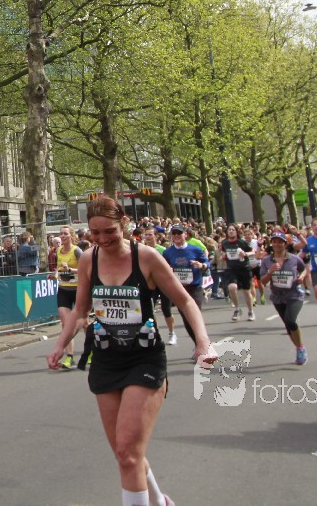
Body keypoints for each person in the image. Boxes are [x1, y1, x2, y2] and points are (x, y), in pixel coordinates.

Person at [48, 197, 214, 506]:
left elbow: (185, 300)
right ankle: (159, 501)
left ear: (124, 223)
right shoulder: (89, 259)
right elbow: (80, 310)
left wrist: (202, 342)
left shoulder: (147, 257)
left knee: (128, 452)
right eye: (95, 233)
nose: (102, 239)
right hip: (106, 359)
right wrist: (60, 344)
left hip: (143, 359)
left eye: (109, 231)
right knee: (125, 454)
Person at [259, 233, 311, 364]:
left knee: (290, 320)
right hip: (278, 297)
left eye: (280, 242)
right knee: (288, 326)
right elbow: (263, 281)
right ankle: (299, 347)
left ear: (285, 244)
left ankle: (300, 348)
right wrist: (270, 272)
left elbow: (304, 269)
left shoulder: (294, 259)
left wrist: (301, 277)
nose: (277, 244)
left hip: (294, 294)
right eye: (274, 242)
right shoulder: (266, 261)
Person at [160, 225, 209, 348]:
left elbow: (206, 263)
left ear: (185, 235)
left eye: (179, 233)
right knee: (186, 318)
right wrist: (168, 269)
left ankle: (202, 344)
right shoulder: (168, 252)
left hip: (194, 287)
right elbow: (164, 268)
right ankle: (198, 344)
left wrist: (201, 265)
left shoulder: (195, 249)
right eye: (174, 233)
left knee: (195, 315)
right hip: (179, 289)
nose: (176, 235)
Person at [52, 226, 83, 365]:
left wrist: (70, 269)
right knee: (65, 323)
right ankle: (69, 356)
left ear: (71, 236)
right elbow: (59, 267)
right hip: (63, 289)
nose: (63, 236)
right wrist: (55, 275)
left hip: (78, 290)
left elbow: (85, 269)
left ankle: (91, 350)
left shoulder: (77, 251)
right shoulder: (58, 250)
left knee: (84, 323)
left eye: (65, 233)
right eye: (61, 233)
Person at [220, 226, 255, 321]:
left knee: (246, 291)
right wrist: (223, 256)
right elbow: (223, 252)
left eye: (233, 230)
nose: (231, 231)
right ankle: (237, 309)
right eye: (229, 230)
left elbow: (252, 251)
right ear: (227, 232)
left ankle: (250, 311)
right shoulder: (224, 243)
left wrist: (245, 254)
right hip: (231, 269)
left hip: (244, 268)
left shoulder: (241, 242)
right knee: (232, 287)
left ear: (236, 232)